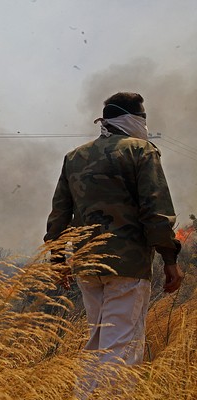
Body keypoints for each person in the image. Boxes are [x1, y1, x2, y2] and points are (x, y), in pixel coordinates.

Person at [44, 92, 183, 396]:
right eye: (142, 116)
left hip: (87, 267)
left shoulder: (74, 157)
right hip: (128, 267)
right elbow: (155, 212)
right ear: (133, 119)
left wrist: (58, 260)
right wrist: (170, 258)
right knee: (121, 348)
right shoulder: (141, 152)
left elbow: (59, 216)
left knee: (97, 344)